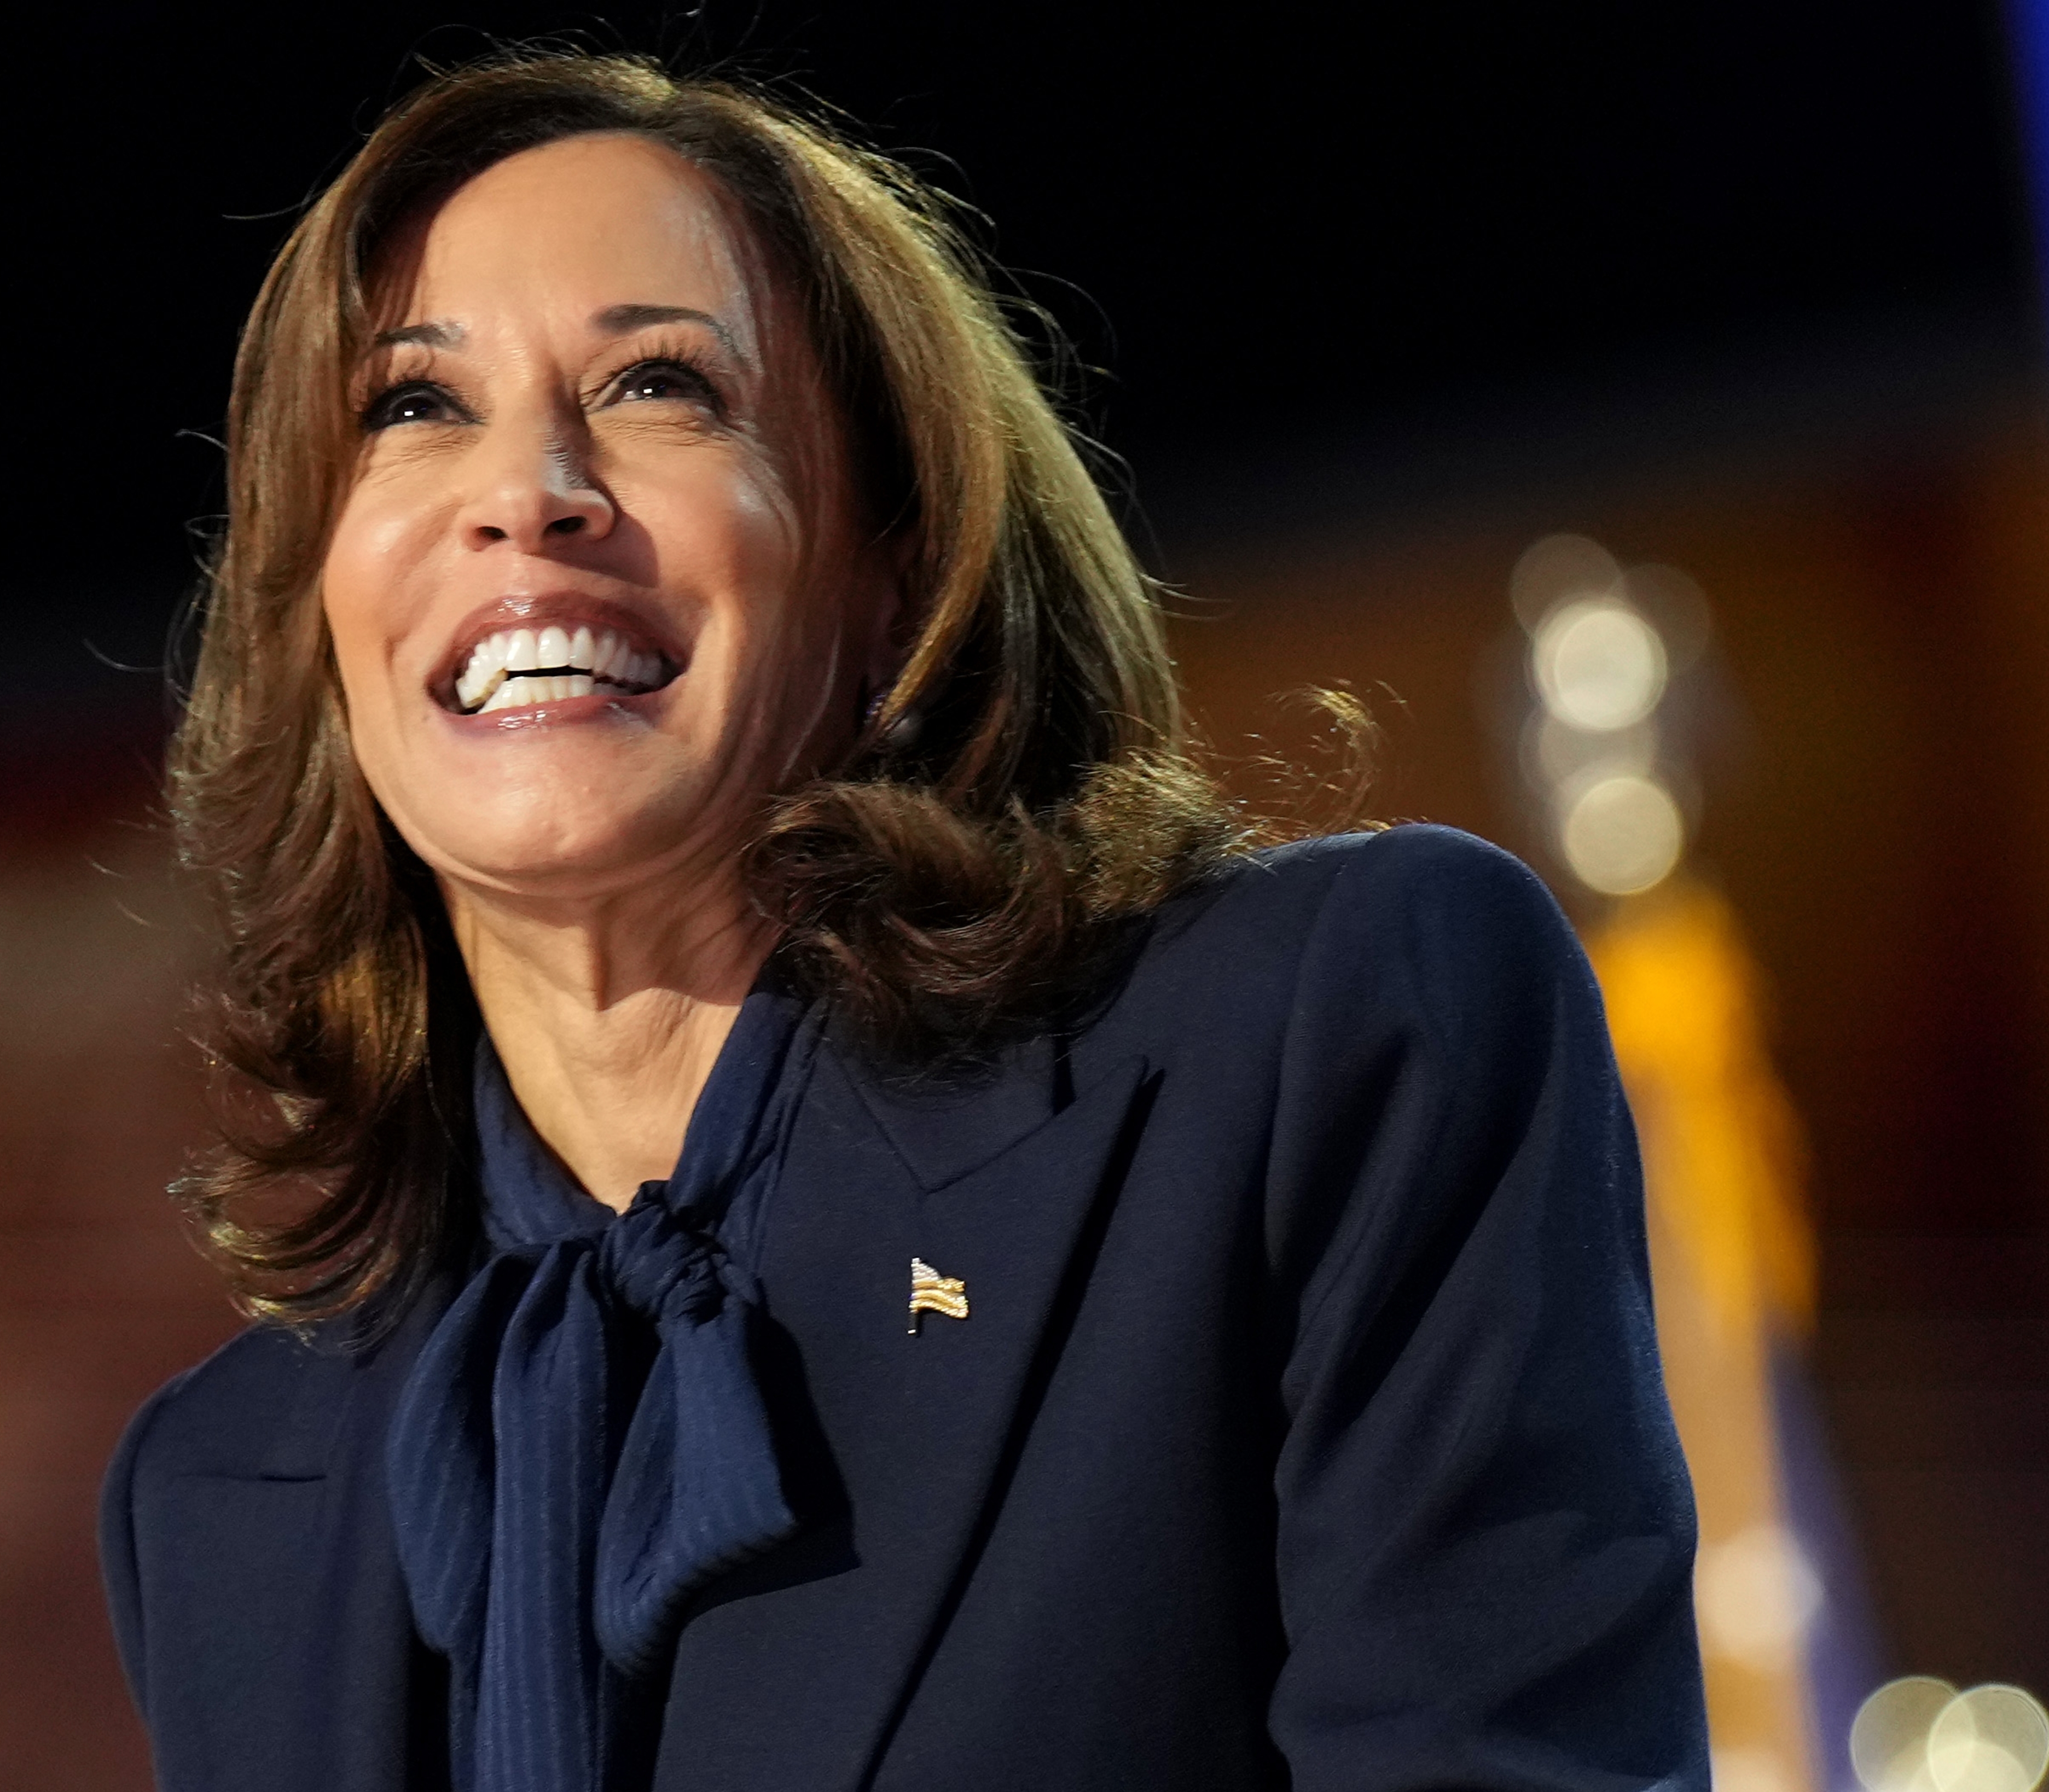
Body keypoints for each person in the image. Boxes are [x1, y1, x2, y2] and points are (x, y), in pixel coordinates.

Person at [100, 50, 1710, 1792]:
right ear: (317, 610)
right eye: (412, 407)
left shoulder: (1323, 1039)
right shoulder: (224, 1490)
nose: (528, 491)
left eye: (659, 385)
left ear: (899, 567)